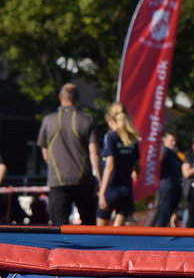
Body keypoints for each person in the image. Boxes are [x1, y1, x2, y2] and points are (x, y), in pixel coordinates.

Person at [36, 83, 101, 226]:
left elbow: (45, 152)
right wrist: (100, 180)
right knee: (88, 225)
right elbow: (94, 153)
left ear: (60, 97)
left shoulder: (48, 120)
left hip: (58, 180)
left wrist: (53, 163)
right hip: (83, 180)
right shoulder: (87, 120)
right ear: (77, 99)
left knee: (59, 226)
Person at [96, 102, 140, 226]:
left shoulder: (111, 137)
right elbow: (137, 166)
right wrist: (134, 173)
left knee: (100, 233)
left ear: (110, 119)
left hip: (112, 189)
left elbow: (110, 166)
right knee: (116, 233)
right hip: (126, 189)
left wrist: (102, 193)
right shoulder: (132, 138)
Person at [153, 131, 184, 227]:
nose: (174, 143)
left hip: (175, 185)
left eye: (175, 140)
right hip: (167, 186)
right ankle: (156, 234)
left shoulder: (174, 153)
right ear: (164, 140)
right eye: (171, 140)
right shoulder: (164, 152)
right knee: (163, 213)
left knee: (170, 213)